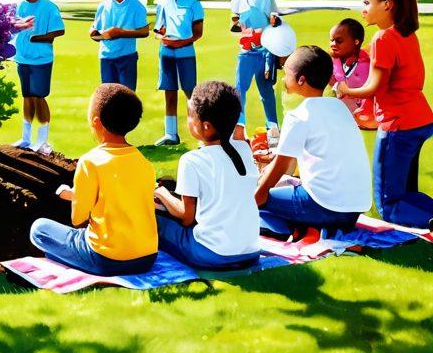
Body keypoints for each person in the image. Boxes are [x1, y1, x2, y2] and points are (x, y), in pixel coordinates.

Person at [332, 0, 433, 228]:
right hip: (419, 120)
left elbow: (375, 86)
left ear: (387, 5)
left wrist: (345, 89)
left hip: (397, 127)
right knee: (406, 194)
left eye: (366, 3)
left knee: (389, 206)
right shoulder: (406, 34)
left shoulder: (383, 38)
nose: (362, 9)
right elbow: (413, 79)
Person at [28, 85, 157, 276]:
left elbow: (77, 219)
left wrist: (77, 196)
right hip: (147, 258)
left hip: (106, 260)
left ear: (96, 122)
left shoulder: (90, 162)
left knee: (39, 230)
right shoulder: (144, 163)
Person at [257, 47, 372, 235]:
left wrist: (255, 198)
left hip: (324, 206)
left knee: (257, 199)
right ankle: (299, 224)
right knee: (278, 187)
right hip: (354, 211)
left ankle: (282, 228)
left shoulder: (299, 116)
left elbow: (280, 166)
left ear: (301, 79)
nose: (285, 79)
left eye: (287, 73)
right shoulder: (340, 107)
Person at [154, 82, 260, 270]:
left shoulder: (191, 160)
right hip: (250, 252)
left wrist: (162, 193)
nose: (187, 121)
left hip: (212, 254)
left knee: (157, 218)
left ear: (206, 127)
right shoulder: (244, 148)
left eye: (189, 116)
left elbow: (187, 217)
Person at [11, 0, 65, 153]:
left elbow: (59, 30)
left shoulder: (49, 8)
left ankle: (42, 140)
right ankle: (26, 138)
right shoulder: (16, 5)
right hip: (22, 58)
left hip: (41, 60)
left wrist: (39, 37)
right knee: (27, 96)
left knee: (39, 96)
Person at [230, 0, 283, 139]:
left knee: (266, 90)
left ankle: (273, 126)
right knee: (239, 89)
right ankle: (239, 125)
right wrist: (240, 26)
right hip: (246, 52)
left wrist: (272, 25)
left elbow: (274, 21)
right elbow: (235, 18)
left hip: (265, 52)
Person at [154, 0, 205, 146]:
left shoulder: (193, 4)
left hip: (185, 53)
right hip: (166, 53)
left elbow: (198, 32)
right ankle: (171, 133)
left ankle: (200, 132)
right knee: (169, 91)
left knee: (190, 92)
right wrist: (162, 38)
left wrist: (182, 42)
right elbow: (159, 29)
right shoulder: (163, 3)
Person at [90, 0, 149, 92]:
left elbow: (144, 31)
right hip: (106, 58)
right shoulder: (103, 6)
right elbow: (95, 28)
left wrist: (120, 33)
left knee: (127, 97)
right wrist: (95, 33)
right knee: (109, 97)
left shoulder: (136, 6)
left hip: (127, 58)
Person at [329, 18, 377, 130]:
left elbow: (346, 89)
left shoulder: (364, 65)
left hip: (366, 115)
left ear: (356, 42)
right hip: (348, 112)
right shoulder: (335, 60)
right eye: (331, 40)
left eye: (339, 41)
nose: (333, 44)